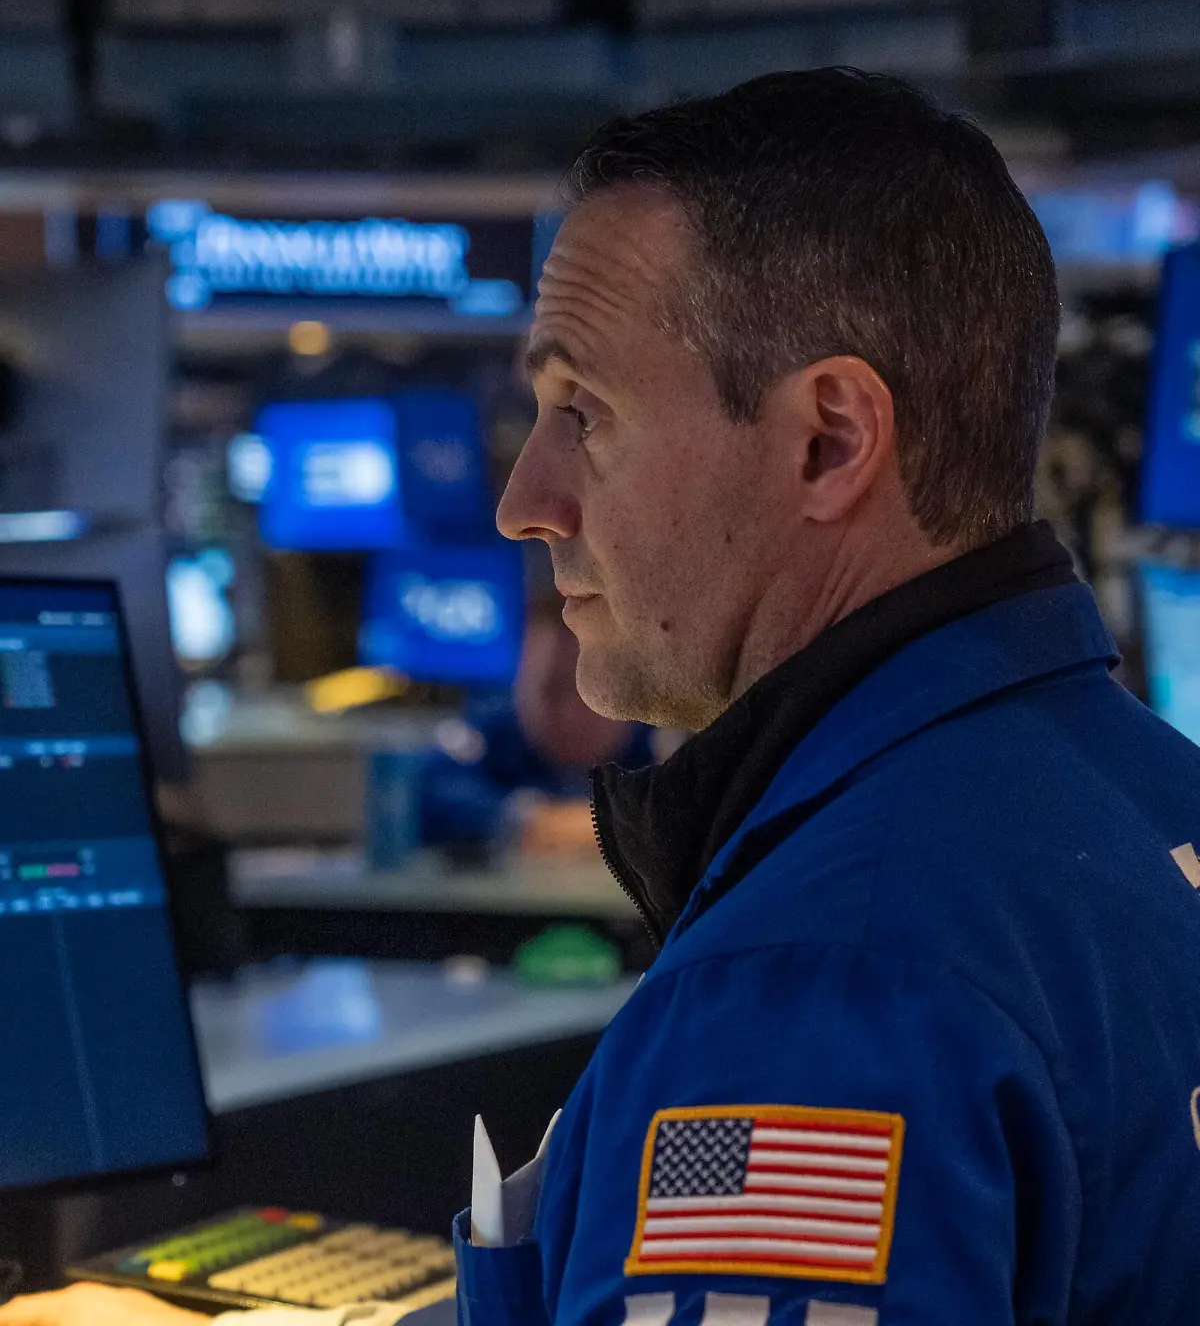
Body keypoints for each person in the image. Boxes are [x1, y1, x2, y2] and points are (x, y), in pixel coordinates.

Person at [6, 67, 1200, 1326]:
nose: (526, 499)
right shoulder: (1146, 796)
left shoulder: (817, 992)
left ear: (831, 440)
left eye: (586, 410)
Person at [423, 587, 658, 858]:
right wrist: (528, 823)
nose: (571, 717)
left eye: (593, 697)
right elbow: (428, 802)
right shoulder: (487, 730)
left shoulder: (663, 741)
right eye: (554, 691)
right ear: (522, 681)